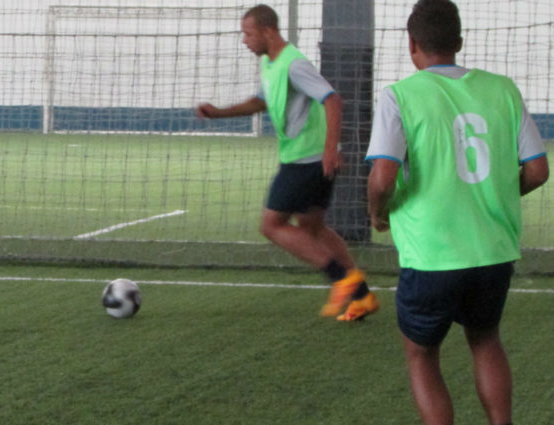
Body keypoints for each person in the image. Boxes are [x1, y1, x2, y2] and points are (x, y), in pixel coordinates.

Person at [365, 1, 549, 423]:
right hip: (494, 251)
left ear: (411, 44)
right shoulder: (503, 88)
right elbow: (538, 170)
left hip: (432, 255)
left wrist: (378, 214)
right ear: (459, 42)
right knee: (486, 340)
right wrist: (499, 195)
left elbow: (382, 178)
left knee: (421, 354)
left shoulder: (399, 96)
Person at [196, 4, 378, 320]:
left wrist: (330, 150)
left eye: (248, 33)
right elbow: (260, 102)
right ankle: (362, 297)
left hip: (306, 161)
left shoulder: (295, 65)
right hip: (306, 160)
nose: (245, 40)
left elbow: (333, 99)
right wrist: (219, 112)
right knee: (313, 227)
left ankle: (341, 279)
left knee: (271, 225)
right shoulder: (270, 63)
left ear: (268, 31)